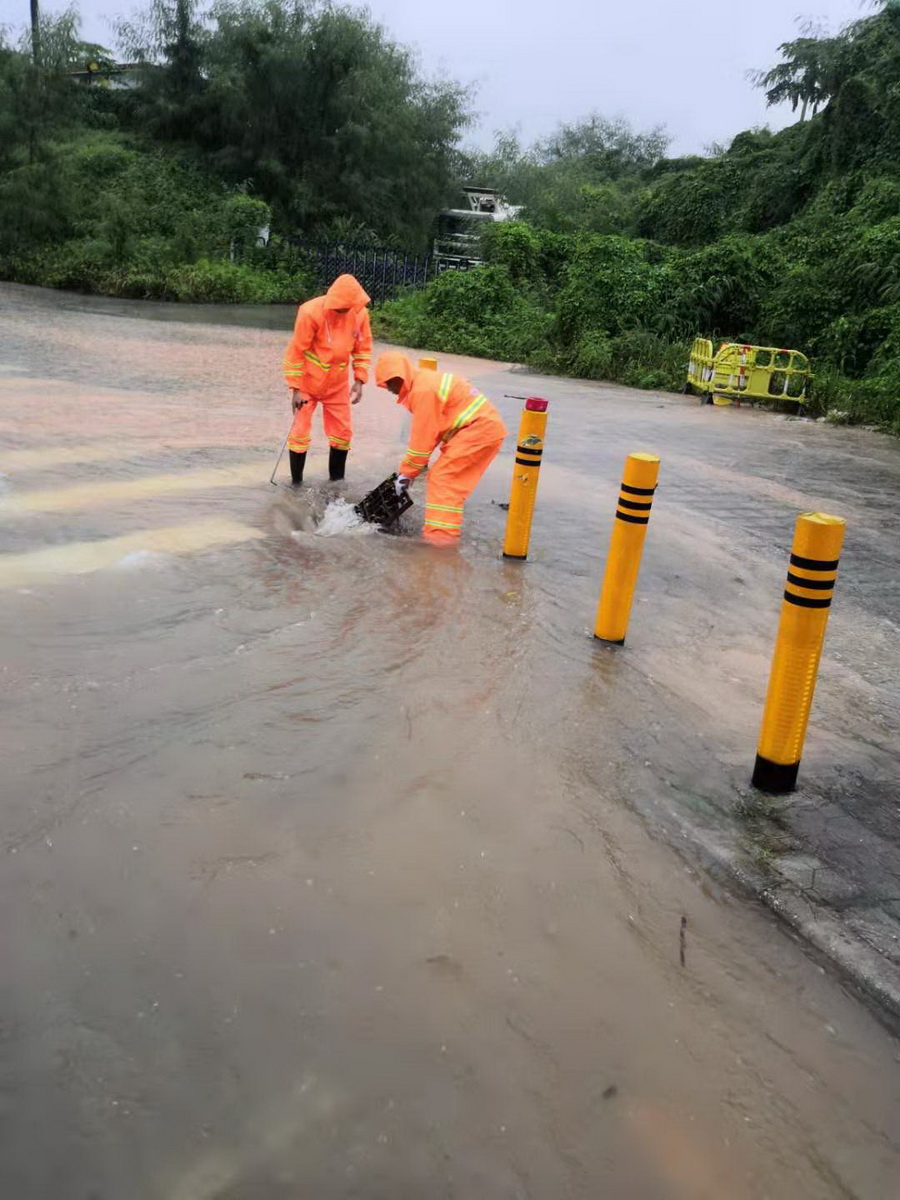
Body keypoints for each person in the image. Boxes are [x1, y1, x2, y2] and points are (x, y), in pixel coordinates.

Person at [374, 352, 508, 545]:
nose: (388, 389)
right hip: (478, 430)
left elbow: (421, 444)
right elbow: (433, 434)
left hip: (478, 431)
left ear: (400, 377)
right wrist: (409, 473)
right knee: (443, 478)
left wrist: (406, 474)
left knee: (444, 479)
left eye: (388, 383)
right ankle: (441, 534)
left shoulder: (422, 391)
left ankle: (440, 541)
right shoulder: (424, 382)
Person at [283, 274, 372, 483]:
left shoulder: (360, 314)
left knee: (343, 433)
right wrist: (295, 388)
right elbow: (296, 351)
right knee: (299, 433)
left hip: (337, 384)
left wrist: (359, 380)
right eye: (340, 308)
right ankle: (296, 484)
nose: (343, 311)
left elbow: (363, 349)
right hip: (307, 382)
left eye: (347, 308)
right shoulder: (310, 312)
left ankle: (337, 484)